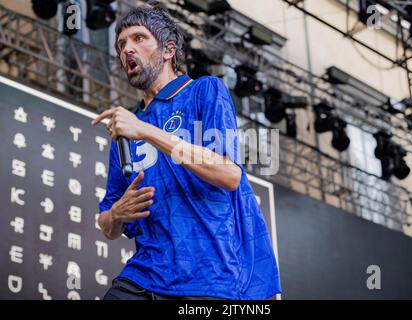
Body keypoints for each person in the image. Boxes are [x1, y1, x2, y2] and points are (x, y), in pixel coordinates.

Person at [92, 2, 281, 300]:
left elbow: (228, 174)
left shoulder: (204, 91)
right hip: (144, 274)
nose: (127, 48)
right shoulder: (126, 128)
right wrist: (116, 214)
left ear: (168, 50)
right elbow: (107, 225)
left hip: (210, 279)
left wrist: (148, 132)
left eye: (139, 38)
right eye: (121, 44)